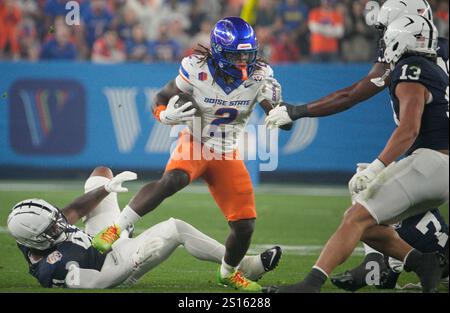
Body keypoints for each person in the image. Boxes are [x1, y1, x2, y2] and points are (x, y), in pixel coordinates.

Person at [90, 17, 288, 292]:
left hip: (226, 152)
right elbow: (161, 98)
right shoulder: (196, 68)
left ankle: (229, 273)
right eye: (236, 54)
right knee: (173, 180)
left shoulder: (260, 75)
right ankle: (115, 228)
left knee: (245, 226)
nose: (244, 60)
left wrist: (279, 107)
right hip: (195, 140)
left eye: (248, 53)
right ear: (219, 51)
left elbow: (281, 118)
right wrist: (164, 114)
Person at [265, 0, 449, 291]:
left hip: (430, 160)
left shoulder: (411, 66)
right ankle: (417, 263)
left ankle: (313, 284)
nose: (383, 37)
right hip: (433, 160)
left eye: (387, 30)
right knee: (365, 212)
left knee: (356, 215)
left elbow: (404, 125)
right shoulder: (430, 62)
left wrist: (378, 166)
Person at [6, 167, 282, 289]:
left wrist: (105, 189)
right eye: (53, 229)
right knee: (175, 228)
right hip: (113, 265)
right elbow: (101, 282)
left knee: (98, 175)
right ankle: (245, 266)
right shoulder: (55, 268)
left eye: (55, 221)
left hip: (94, 243)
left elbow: (73, 211)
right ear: (38, 241)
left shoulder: (35, 233)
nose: (60, 226)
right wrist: (134, 261)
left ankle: (119, 228)